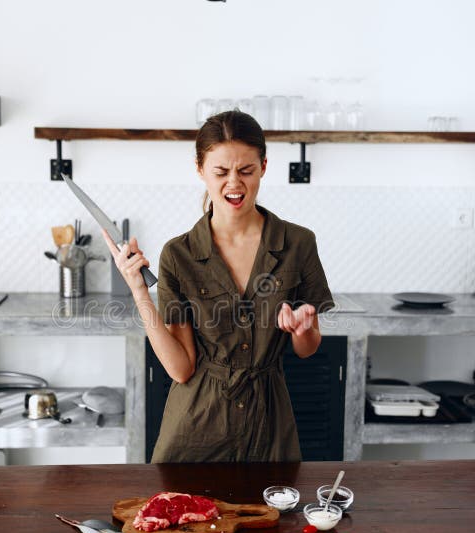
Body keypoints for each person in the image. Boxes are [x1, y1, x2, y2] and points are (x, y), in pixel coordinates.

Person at [103, 110, 334, 462]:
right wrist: (138, 290)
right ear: (200, 170)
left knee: (272, 517)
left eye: (246, 171)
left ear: (264, 167)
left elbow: (307, 348)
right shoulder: (179, 255)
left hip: (269, 429)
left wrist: (302, 328)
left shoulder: (298, 244)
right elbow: (181, 369)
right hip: (196, 429)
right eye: (221, 172)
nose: (234, 184)